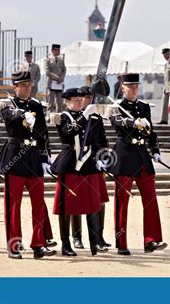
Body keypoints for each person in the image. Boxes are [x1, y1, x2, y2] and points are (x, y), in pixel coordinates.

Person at [0, 71, 56, 259]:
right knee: (14, 205)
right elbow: (9, 117)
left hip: (34, 158)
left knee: (38, 203)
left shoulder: (37, 105)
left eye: (30, 85)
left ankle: (38, 243)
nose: (28, 88)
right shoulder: (7, 105)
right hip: (15, 159)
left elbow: (43, 134)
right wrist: (23, 115)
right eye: (24, 85)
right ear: (15, 87)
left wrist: (45, 158)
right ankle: (14, 244)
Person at [109, 73, 167, 255]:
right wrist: (133, 123)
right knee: (122, 203)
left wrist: (155, 150)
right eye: (130, 87)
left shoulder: (143, 107)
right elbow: (117, 123)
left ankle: (151, 240)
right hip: (124, 157)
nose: (134, 89)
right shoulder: (116, 107)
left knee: (150, 199)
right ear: (123, 88)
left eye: (136, 86)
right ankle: (122, 243)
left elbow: (151, 132)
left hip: (142, 157)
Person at [50, 87, 108, 256]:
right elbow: (70, 132)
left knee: (92, 204)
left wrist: (101, 159)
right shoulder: (62, 117)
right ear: (67, 102)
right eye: (75, 100)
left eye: (81, 100)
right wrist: (85, 116)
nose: (79, 102)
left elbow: (96, 140)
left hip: (87, 164)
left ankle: (94, 242)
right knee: (66, 206)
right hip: (69, 164)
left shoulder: (89, 117)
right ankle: (66, 244)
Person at [69, 86, 111, 250]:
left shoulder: (96, 118)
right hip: (77, 164)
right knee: (76, 201)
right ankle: (77, 237)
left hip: (94, 164)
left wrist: (103, 159)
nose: (89, 100)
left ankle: (98, 236)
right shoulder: (74, 118)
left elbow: (102, 141)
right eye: (86, 97)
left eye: (90, 97)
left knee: (99, 201)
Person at [45, 44, 66, 114]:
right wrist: (57, 78)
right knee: (50, 102)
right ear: (53, 50)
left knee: (60, 102)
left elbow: (64, 70)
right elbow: (47, 72)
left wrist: (62, 78)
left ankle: (59, 116)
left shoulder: (61, 60)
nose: (59, 51)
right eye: (57, 50)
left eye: (59, 50)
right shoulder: (48, 60)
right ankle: (49, 116)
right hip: (51, 84)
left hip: (59, 84)